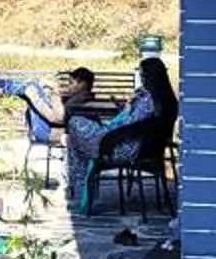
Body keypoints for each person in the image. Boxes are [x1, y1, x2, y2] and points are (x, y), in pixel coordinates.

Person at [70, 55, 175, 211]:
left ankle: (79, 186)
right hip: (136, 145)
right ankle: (81, 184)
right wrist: (127, 108)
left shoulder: (147, 100)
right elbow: (136, 123)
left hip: (124, 147)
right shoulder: (165, 99)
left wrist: (127, 108)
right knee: (79, 130)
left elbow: (130, 124)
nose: (142, 79)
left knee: (75, 123)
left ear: (151, 76)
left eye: (143, 75)